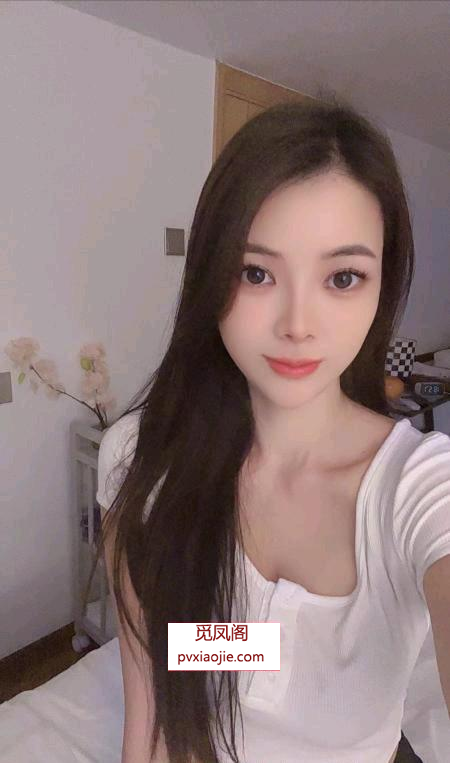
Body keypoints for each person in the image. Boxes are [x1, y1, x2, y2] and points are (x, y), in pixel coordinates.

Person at [92, 97, 450, 762]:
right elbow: (153, 694)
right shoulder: (139, 457)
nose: (297, 324)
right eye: (256, 272)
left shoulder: (420, 487)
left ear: (382, 286)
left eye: (343, 277)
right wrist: (284, 643)